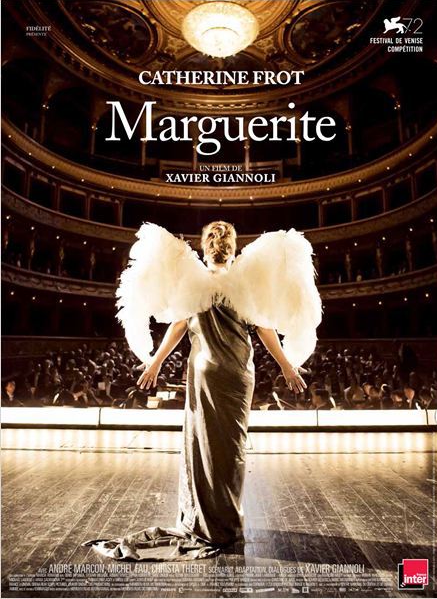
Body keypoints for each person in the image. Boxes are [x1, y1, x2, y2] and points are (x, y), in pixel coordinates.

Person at [83, 221, 321, 561]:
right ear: (229, 247)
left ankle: (207, 519)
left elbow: (181, 327)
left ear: (208, 248)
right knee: (226, 448)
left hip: (211, 372)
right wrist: (287, 366)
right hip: (232, 374)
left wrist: (154, 363)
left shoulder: (197, 280)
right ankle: (223, 523)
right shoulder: (240, 280)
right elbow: (261, 328)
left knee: (208, 446)